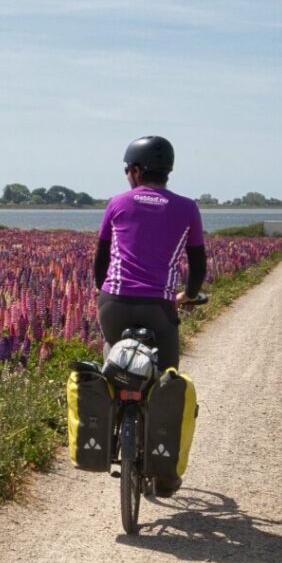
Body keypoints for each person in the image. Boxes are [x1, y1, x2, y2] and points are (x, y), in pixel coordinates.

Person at [94, 136, 205, 493]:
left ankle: (108, 432)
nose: (127, 175)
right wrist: (186, 295)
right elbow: (198, 265)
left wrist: (107, 292)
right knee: (166, 381)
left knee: (112, 365)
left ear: (137, 170)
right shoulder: (187, 208)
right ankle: (164, 474)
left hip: (114, 303)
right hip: (159, 306)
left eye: (128, 169)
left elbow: (100, 262)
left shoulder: (117, 203)